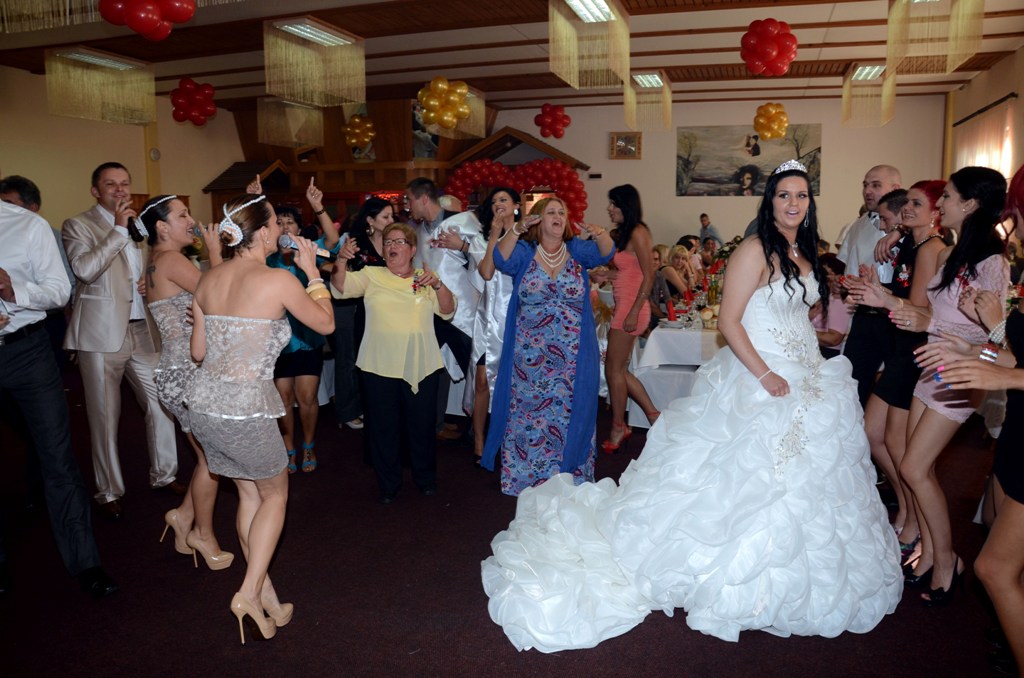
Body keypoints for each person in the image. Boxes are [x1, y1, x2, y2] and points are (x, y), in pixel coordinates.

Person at [481, 160, 902, 651]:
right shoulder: (755, 248)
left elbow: (793, 311)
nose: (793, 203)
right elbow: (729, 321)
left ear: (810, 204)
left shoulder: (803, 251)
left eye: (801, 196)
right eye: (784, 195)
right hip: (761, 375)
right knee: (744, 477)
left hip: (809, 375)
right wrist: (765, 374)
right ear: (770, 202)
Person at [188, 194, 334, 643]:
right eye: (275, 223)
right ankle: (249, 593)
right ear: (264, 232)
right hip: (245, 408)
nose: (281, 230)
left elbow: (198, 351)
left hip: (205, 406)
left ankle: (267, 596)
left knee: (249, 494)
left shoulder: (209, 278)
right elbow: (326, 324)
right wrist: (312, 273)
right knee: (274, 494)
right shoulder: (278, 279)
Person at [896, 167, 1009, 606]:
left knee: (914, 468)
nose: (940, 204)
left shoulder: (992, 262)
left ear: (970, 204)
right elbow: (933, 316)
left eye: (947, 196)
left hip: (960, 373)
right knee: (914, 466)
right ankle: (929, 554)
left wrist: (954, 324)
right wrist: (896, 306)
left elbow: (995, 340)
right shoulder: (951, 252)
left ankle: (947, 561)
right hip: (932, 365)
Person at [0, 199, 118, 598]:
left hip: (27, 352)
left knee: (57, 457)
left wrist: (12, 289)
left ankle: (86, 562)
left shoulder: (27, 226)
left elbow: (59, 291)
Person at [62, 162, 183, 520]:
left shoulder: (138, 225)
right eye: (110, 184)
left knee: (161, 402)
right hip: (101, 334)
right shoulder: (78, 225)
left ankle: (165, 475)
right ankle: (109, 490)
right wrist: (117, 229)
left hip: (142, 327)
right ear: (95, 191)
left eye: (125, 183)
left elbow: (137, 267)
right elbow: (85, 270)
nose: (120, 190)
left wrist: (146, 280)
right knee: (104, 415)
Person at [942, 164, 1024, 676]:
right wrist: (973, 352)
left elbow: (1014, 363)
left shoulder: (996, 260)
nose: (1012, 221)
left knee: (993, 567)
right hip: (1018, 428)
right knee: (993, 526)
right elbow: (1014, 356)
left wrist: (994, 337)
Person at [479, 197, 614, 496]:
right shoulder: (524, 252)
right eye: (551, 212)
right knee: (529, 416)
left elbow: (606, 253)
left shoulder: (576, 250)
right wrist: (516, 229)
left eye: (562, 212)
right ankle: (527, 478)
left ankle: (569, 475)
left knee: (569, 414)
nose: (558, 216)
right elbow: (500, 259)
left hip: (573, 355)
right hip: (529, 357)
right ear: (538, 220)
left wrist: (600, 233)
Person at [129, 194, 233, 570]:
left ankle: (182, 516)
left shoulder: (157, 262)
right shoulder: (171, 260)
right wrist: (215, 251)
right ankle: (202, 535)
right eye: (183, 215)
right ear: (162, 227)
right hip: (187, 371)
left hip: (177, 369)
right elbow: (220, 296)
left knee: (209, 456)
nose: (191, 220)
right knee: (212, 459)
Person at [843, 183, 946, 561]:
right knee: (874, 434)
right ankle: (906, 507)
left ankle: (914, 520)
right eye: (907, 204)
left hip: (915, 353)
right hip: (902, 349)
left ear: (935, 211)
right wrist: (874, 286)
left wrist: (879, 295)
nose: (906, 210)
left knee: (902, 449)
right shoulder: (909, 243)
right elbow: (901, 292)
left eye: (916, 204)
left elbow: (916, 306)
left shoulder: (930, 248)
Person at [330, 223, 455, 504]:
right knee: (383, 428)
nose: (392, 246)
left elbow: (448, 310)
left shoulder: (426, 277)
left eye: (399, 242)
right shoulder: (371, 275)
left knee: (422, 426)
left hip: (420, 364)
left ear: (412, 250)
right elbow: (340, 286)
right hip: (379, 365)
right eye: (387, 242)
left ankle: (425, 478)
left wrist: (437, 285)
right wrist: (341, 259)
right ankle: (388, 483)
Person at [262, 179, 340, 474]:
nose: (284, 227)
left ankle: (308, 445)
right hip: (278, 341)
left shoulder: (309, 250)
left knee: (307, 397)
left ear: (298, 227)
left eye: (290, 222)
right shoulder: (266, 257)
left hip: (307, 336)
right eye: (279, 222)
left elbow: (333, 239)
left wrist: (317, 206)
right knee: (283, 398)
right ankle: (288, 449)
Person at [405, 178, 484, 436]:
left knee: (475, 372)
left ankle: (478, 432)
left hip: (464, 314)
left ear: (423, 199)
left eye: (409, 200)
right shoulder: (419, 232)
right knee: (432, 370)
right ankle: (434, 425)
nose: (407, 206)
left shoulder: (462, 222)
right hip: (432, 313)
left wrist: (462, 246)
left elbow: (487, 259)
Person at [837, 165, 902, 405]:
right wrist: (846, 285)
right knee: (852, 383)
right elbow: (847, 271)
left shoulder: (912, 229)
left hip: (897, 319)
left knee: (895, 387)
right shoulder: (856, 227)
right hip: (865, 317)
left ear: (895, 188)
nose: (867, 191)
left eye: (876, 185)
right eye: (865, 185)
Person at [603, 185, 659, 452]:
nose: (609, 209)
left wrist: (635, 311)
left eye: (614, 204)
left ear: (626, 205)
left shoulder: (638, 232)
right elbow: (629, 272)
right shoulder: (627, 233)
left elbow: (649, 274)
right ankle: (652, 414)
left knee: (612, 369)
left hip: (632, 307)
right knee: (618, 370)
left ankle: (618, 426)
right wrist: (607, 275)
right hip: (625, 305)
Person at [472, 187, 521, 464]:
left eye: (503, 199)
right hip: (487, 318)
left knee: (512, 384)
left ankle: (510, 439)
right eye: (493, 201)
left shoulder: (526, 237)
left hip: (514, 318)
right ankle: (479, 439)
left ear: (516, 205)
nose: (498, 204)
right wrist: (493, 235)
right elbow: (486, 272)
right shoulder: (487, 237)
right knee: (481, 380)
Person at [810, 254, 852, 358]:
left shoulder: (839, 299)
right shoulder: (818, 296)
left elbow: (834, 339)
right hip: (811, 349)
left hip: (825, 354)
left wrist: (803, 332)